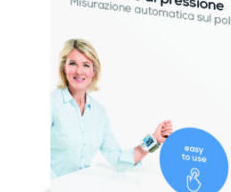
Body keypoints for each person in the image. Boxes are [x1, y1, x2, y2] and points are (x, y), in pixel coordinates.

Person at [51, 38, 172, 177]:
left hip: (82, 186)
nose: (79, 71)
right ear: (64, 68)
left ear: (93, 71)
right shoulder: (51, 103)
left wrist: (154, 139)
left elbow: (119, 160)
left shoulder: (98, 113)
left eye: (86, 65)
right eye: (72, 63)